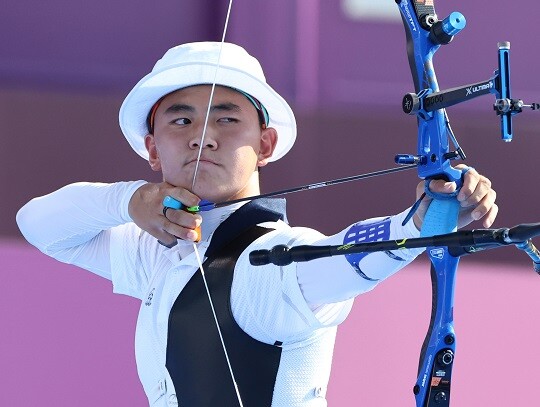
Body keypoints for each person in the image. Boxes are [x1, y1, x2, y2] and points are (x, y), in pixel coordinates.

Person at [16, 42, 497, 407]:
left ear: (264, 145)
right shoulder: (157, 251)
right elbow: (38, 224)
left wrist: (420, 223)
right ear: (152, 148)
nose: (202, 138)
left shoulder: (274, 259)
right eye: (181, 122)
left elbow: (344, 258)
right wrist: (130, 200)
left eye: (226, 120)